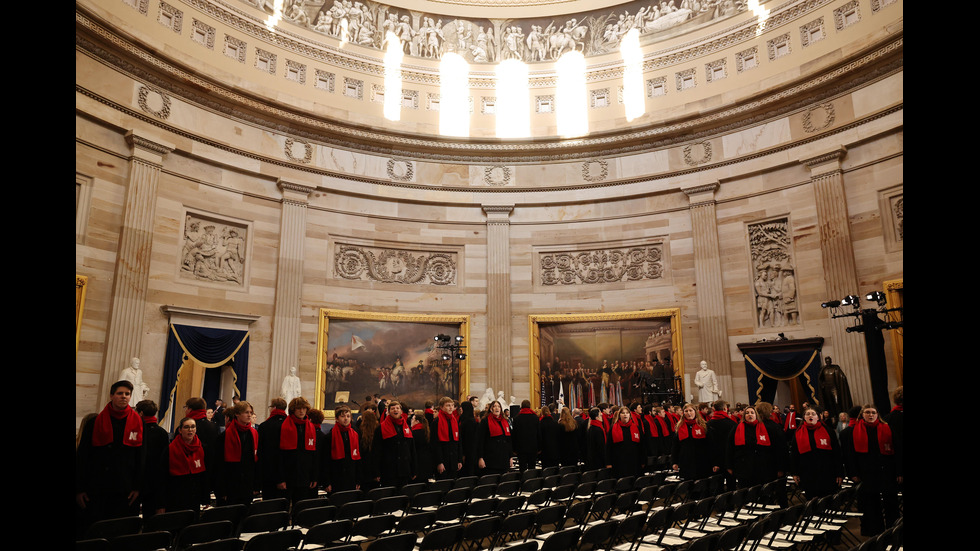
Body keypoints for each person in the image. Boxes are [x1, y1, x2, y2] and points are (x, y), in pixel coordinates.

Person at [76, 380, 145, 539]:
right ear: (112, 395)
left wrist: (137, 487)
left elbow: (141, 456)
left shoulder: (138, 422)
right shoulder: (94, 422)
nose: (124, 397)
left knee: (120, 535)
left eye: (127, 394)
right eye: (120, 393)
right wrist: (79, 488)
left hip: (124, 489)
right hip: (97, 488)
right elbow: (83, 456)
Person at [841, 404, 900, 537]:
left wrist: (899, 472)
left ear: (877, 414)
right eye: (867, 412)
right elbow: (850, 455)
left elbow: (897, 451)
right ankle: (876, 533)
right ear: (862, 415)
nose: (871, 415)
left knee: (891, 503)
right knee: (872, 505)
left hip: (887, 472)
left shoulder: (887, 428)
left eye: (873, 412)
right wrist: (853, 473)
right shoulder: (854, 431)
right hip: (866, 473)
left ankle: (893, 532)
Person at [725, 405, 786, 490]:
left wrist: (780, 467)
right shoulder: (736, 429)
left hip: (764, 468)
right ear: (744, 416)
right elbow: (729, 448)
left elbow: (776, 449)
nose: (750, 415)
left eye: (752, 413)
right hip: (744, 468)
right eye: (747, 413)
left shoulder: (766, 428)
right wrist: (729, 466)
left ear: (756, 415)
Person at [789, 406, 842, 500]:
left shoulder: (828, 431)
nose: (810, 416)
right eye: (807, 414)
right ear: (804, 417)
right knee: (812, 502)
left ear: (818, 417)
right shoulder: (798, 432)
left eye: (813, 414)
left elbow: (836, 453)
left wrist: (839, 472)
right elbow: (794, 454)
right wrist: (794, 473)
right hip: (808, 473)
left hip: (827, 472)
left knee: (828, 500)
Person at [218, 400, 259, 506]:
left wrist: (256, 485)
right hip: (231, 483)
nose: (249, 415)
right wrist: (222, 490)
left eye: (250, 412)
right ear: (237, 414)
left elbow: (256, 461)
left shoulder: (254, 433)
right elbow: (219, 464)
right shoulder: (225, 435)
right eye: (246, 412)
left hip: (247, 483)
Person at [165, 417, 210, 513]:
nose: (190, 430)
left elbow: (205, 476)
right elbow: (162, 478)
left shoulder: (202, 448)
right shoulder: (170, 449)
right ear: (180, 430)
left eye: (193, 427)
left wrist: (206, 498)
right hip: (175, 497)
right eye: (186, 427)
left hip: (194, 497)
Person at [279, 397, 319, 505]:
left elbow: (314, 455)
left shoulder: (311, 427)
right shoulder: (283, 426)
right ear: (293, 410)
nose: (301, 411)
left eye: (304, 408)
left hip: (304, 476)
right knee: (284, 507)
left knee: (301, 507)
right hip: (288, 475)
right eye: (298, 408)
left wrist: (314, 476)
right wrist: (281, 479)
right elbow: (280, 455)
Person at [135, 400, 170, 518]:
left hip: (138, 478)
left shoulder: (137, 430)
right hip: (156, 479)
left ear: (140, 413)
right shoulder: (163, 433)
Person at [373, 400, 417, 488]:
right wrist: (376, 472)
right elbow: (376, 451)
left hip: (404, 469)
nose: (395, 410)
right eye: (392, 408)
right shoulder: (381, 428)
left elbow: (412, 449)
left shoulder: (406, 427)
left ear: (401, 411)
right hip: (389, 469)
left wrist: (414, 469)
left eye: (397, 408)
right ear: (388, 412)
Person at [325, 405, 361, 493]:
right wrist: (326, 482)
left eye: (348, 416)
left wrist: (358, 479)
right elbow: (325, 460)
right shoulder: (329, 436)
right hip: (336, 477)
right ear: (337, 419)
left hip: (351, 476)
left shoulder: (355, 434)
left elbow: (358, 459)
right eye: (342, 416)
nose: (346, 419)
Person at [258, 398, 288, 500]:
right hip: (286, 473)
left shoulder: (264, 426)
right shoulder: (289, 425)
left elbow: (260, 452)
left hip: (268, 472)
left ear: (274, 408)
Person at [671, 403, 710, 481]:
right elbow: (675, 446)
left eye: (690, 410)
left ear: (695, 412)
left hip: (702, 461)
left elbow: (709, 444)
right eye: (686, 411)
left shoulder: (703, 426)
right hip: (686, 461)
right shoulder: (679, 427)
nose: (688, 413)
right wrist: (674, 462)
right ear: (683, 413)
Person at [477, 399, 513, 475]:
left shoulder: (505, 421)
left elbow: (508, 440)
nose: (497, 408)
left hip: (504, 457)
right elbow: (480, 440)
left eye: (498, 406)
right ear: (491, 409)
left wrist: (510, 457)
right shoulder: (485, 421)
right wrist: (480, 457)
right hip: (491, 458)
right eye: (494, 406)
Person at [706, 400, 737, 490]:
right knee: (731, 485)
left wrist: (714, 462)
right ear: (725, 409)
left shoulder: (708, 424)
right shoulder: (732, 424)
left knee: (717, 487)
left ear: (713, 409)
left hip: (714, 460)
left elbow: (708, 445)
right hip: (729, 459)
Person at [431, 396, 462, 480]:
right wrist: (439, 462)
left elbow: (458, 442)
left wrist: (459, 460)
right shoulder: (436, 422)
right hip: (443, 460)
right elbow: (435, 444)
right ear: (441, 407)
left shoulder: (454, 420)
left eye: (452, 405)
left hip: (453, 459)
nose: (451, 407)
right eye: (448, 405)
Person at [608, 406, 644, 478]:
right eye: (623, 413)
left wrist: (643, 461)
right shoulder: (613, 428)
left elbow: (642, 446)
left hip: (634, 461)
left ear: (629, 415)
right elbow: (609, 447)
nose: (625, 415)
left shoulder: (636, 427)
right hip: (619, 462)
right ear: (619, 415)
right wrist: (608, 463)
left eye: (627, 413)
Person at [512, 399, 540, 472]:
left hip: (521, 448)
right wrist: (539, 448)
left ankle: (523, 482)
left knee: (522, 468)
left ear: (521, 407)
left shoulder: (516, 419)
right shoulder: (535, 418)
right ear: (530, 406)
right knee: (532, 467)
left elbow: (514, 435)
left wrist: (514, 449)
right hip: (533, 447)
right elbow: (539, 434)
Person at [458, 399, 479, 476]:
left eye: (462, 408)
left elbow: (469, 440)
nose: (460, 409)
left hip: (469, 453)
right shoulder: (463, 419)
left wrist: (464, 454)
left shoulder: (470, 422)